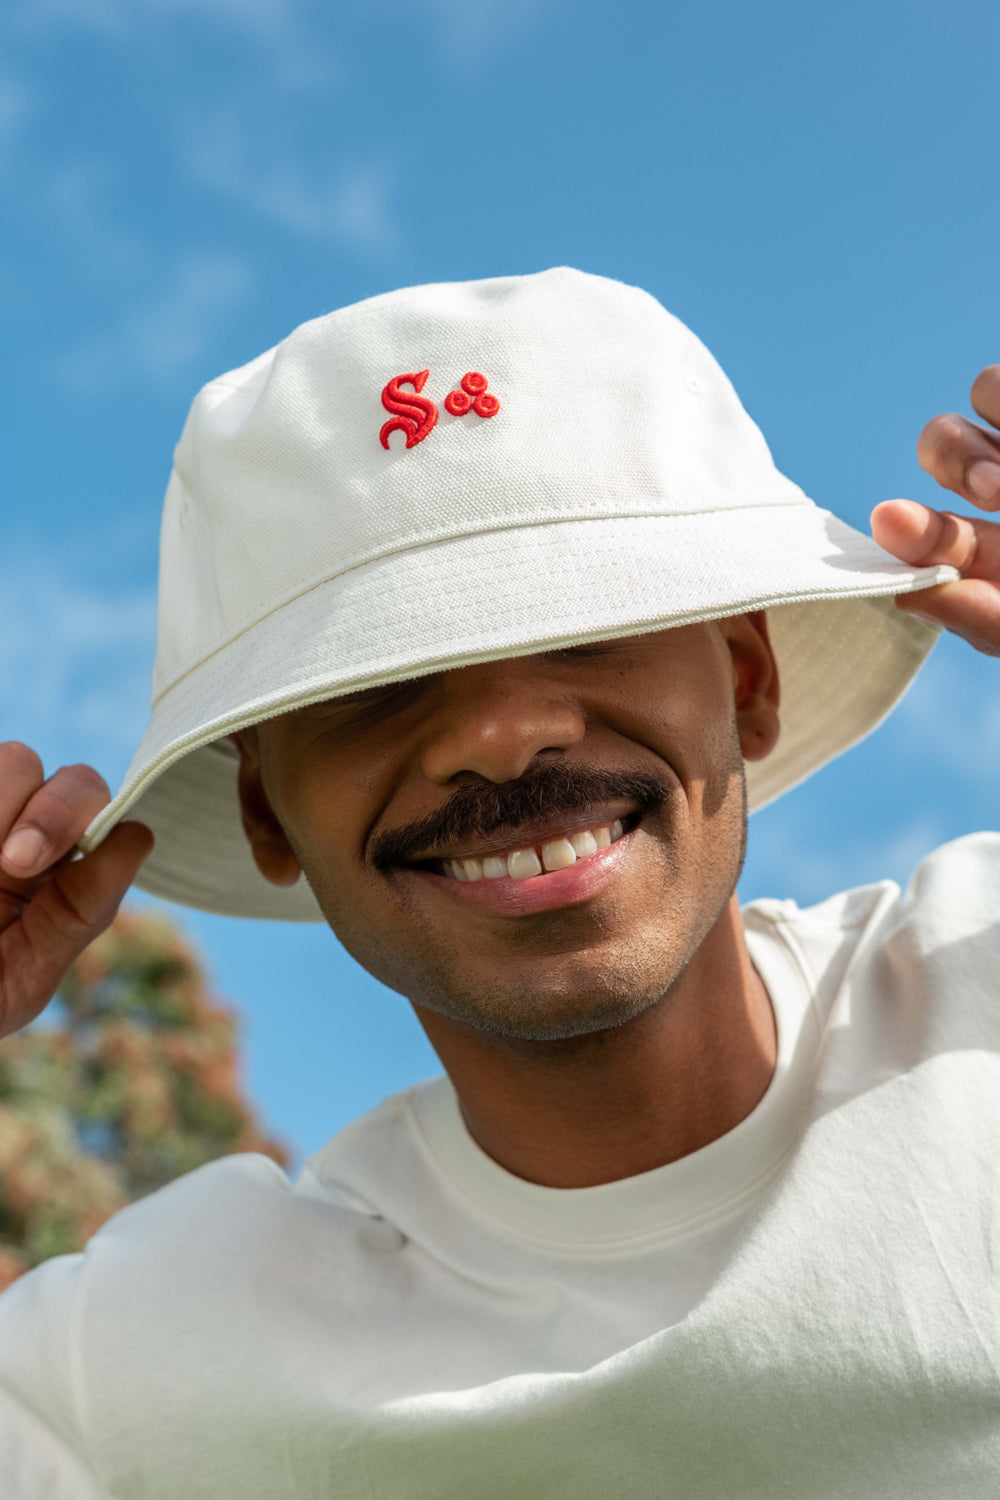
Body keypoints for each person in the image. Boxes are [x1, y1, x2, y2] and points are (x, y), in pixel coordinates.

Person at [0, 267, 997, 1498]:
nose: (503, 732)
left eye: (594, 620)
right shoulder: (129, 1370)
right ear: (268, 808)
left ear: (745, 680)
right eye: (373, 684)